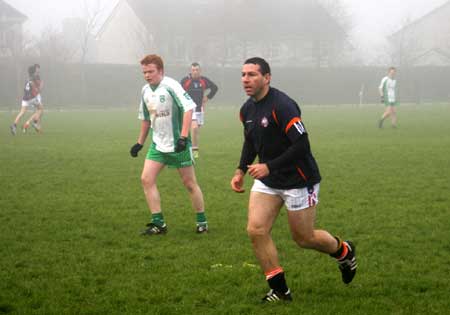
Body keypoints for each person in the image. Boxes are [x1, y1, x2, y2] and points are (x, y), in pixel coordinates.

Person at [230, 57, 357, 302]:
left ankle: (344, 251)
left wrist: (269, 166)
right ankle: (280, 289)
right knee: (256, 230)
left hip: (299, 179)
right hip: (268, 180)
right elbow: (250, 141)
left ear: (267, 78)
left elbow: (302, 145)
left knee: (304, 238)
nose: (246, 79)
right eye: (243, 74)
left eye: (252, 74)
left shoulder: (283, 105)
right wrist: (240, 170)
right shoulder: (246, 109)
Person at [130, 54, 208, 235]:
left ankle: (202, 222)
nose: (147, 75)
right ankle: (159, 224)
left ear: (161, 71)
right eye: (144, 72)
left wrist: (183, 137)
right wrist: (139, 143)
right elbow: (146, 119)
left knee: (189, 184)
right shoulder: (145, 91)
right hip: (157, 144)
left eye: (151, 71)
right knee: (146, 179)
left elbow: (189, 108)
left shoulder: (171, 86)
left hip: (177, 144)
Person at [180, 62, 218, 158]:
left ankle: (192, 148)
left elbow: (215, 88)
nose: (195, 72)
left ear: (200, 71)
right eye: (193, 70)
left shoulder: (203, 80)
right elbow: (178, 92)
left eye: (197, 70)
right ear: (190, 70)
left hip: (199, 109)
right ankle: (194, 151)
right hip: (189, 108)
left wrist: (208, 97)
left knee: (195, 131)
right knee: (194, 128)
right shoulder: (185, 81)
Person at [10, 64, 44, 135]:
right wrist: (39, 89)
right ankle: (35, 122)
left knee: (22, 112)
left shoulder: (28, 78)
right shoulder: (33, 79)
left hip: (24, 99)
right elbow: (35, 91)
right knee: (40, 108)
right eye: (36, 70)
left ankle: (14, 125)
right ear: (34, 71)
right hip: (31, 98)